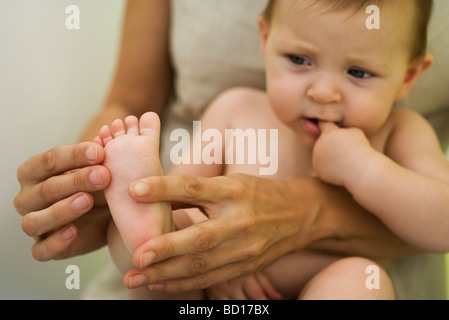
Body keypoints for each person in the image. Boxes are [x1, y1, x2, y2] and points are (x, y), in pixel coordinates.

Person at [14, 0, 449, 300]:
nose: (322, 91)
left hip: (323, 283)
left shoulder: (399, 132)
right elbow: (185, 190)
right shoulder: (237, 109)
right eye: (299, 60)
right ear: (265, 40)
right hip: (210, 291)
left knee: (362, 282)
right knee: (168, 237)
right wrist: (208, 248)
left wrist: (365, 169)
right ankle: (140, 214)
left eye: (358, 72)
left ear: (409, 76)